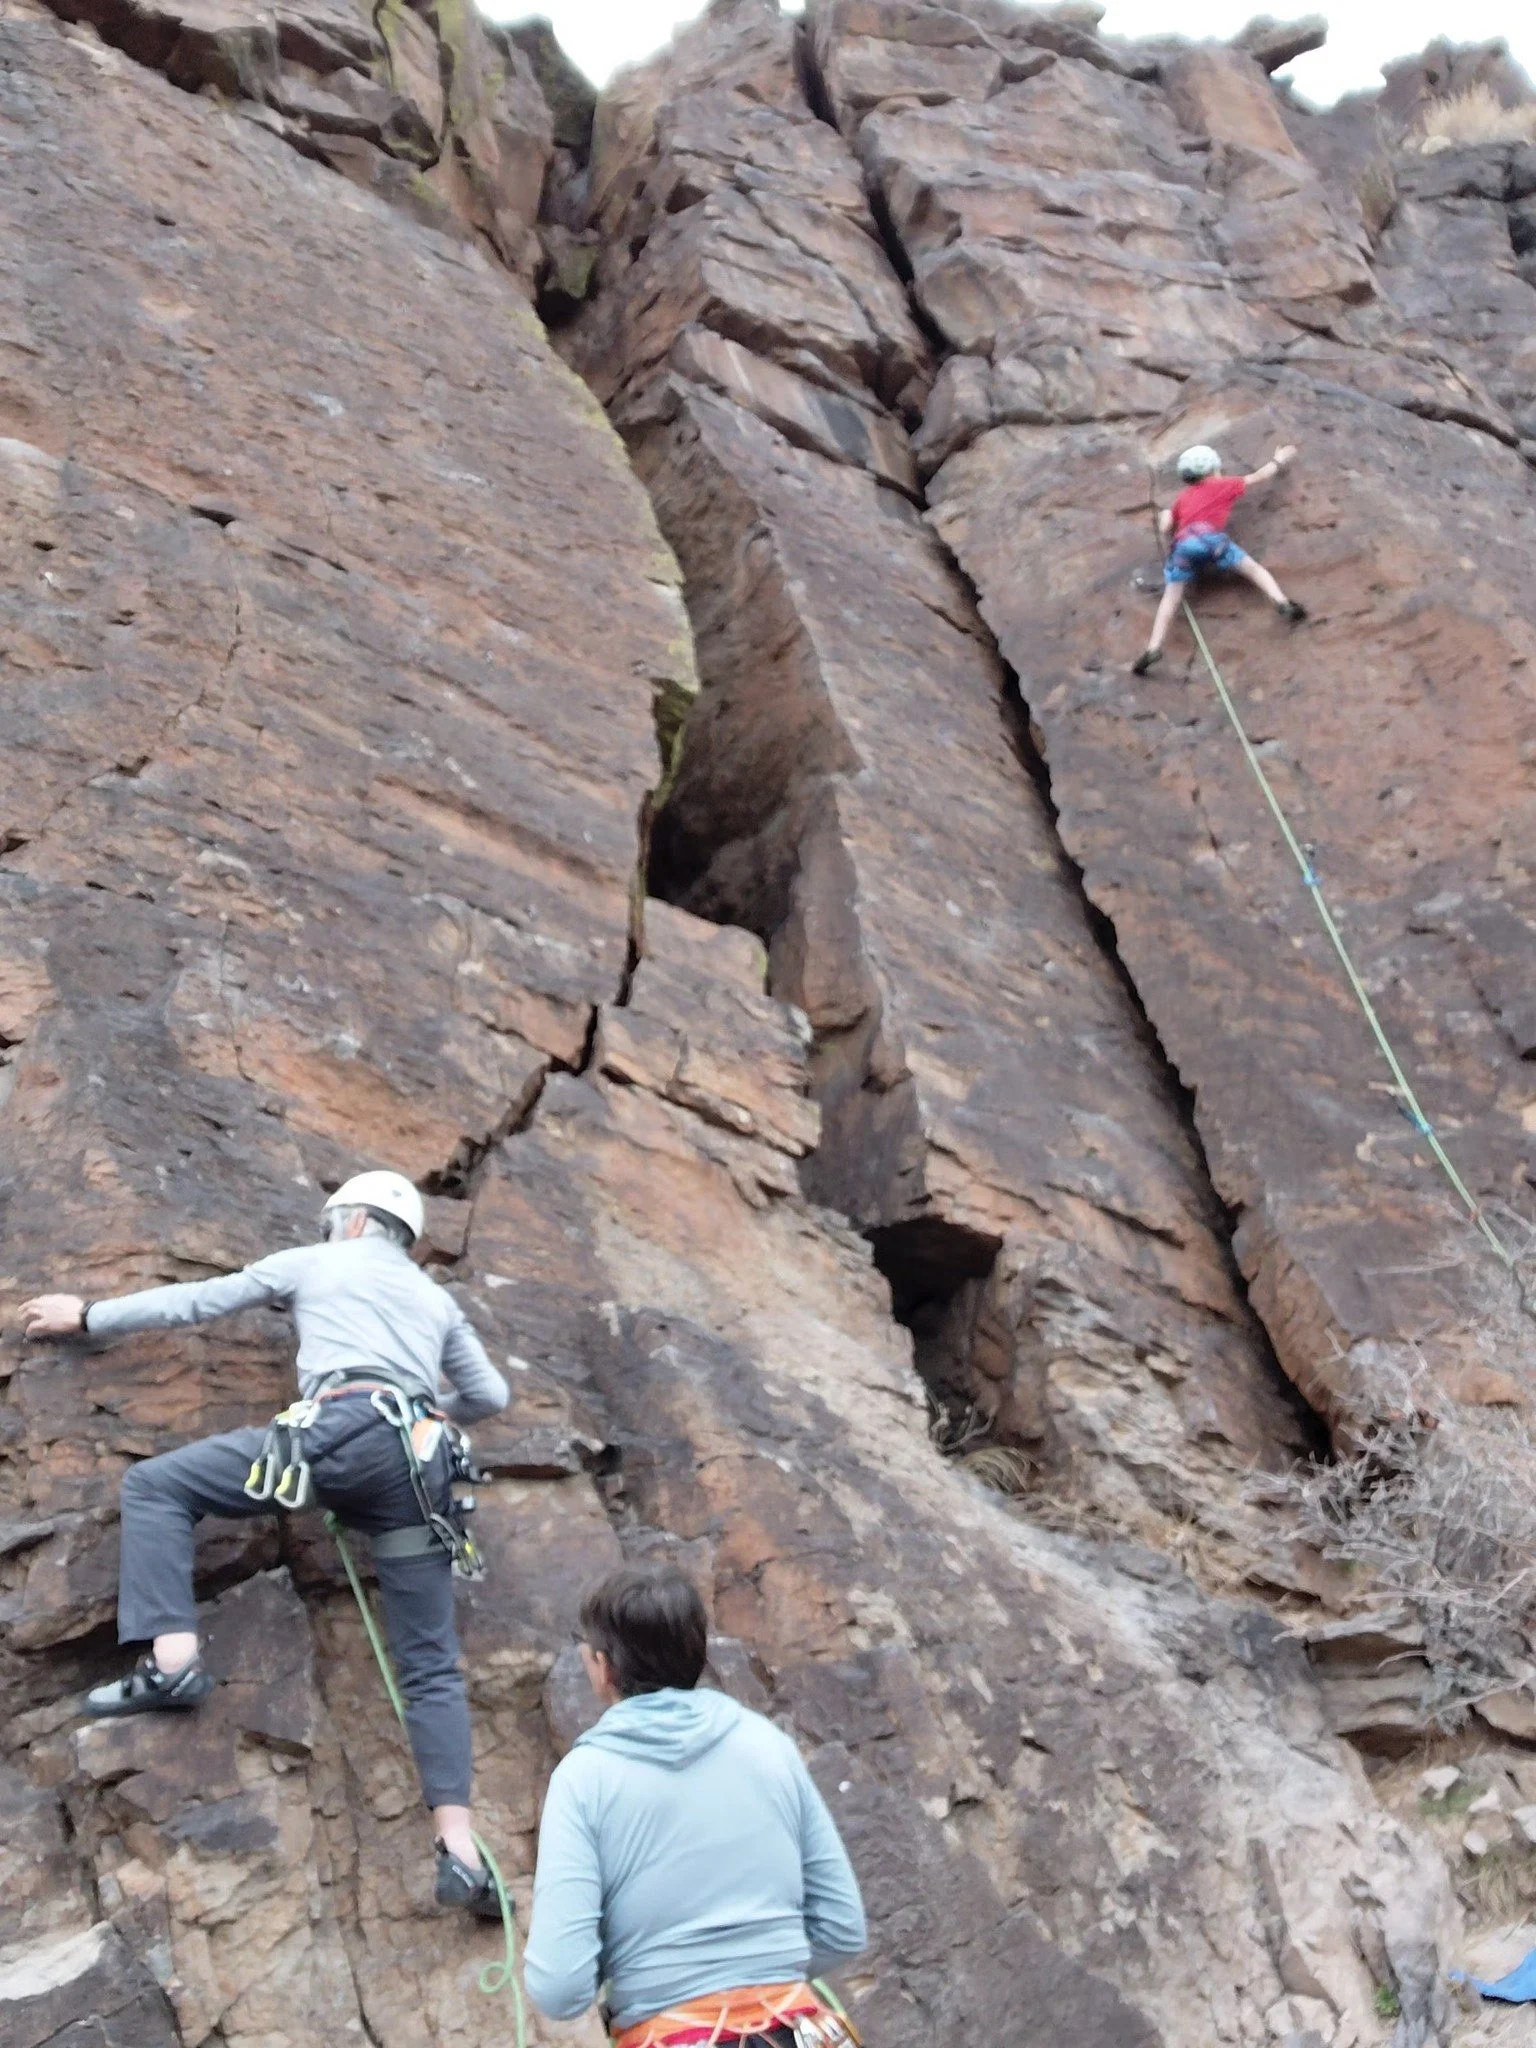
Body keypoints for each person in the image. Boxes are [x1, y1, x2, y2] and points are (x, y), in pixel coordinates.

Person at [20, 1169, 510, 1920]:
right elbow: (490, 1399)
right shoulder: (435, 1300)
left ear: (350, 1222)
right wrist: (418, 1404)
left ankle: (172, 1663)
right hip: (424, 1463)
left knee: (157, 1487)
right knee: (430, 1665)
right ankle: (462, 1852)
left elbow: (198, 1300)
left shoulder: (317, 1261)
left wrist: (87, 1315)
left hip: (344, 1433)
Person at [524, 1565, 867, 2047]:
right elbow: (842, 1928)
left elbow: (560, 1988)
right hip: (798, 2032)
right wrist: (757, 1971)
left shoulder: (583, 1781)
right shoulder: (769, 1747)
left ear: (603, 1667)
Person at [1132, 442, 1307, 675]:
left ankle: (1154, 647)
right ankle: (1281, 601)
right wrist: (1279, 459)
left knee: (1171, 597)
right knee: (1253, 569)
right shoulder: (1223, 485)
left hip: (1185, 546)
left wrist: (1165, 514)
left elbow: (1165, 528)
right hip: (1213, 542)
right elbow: (1260, 476)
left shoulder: (1182, 499)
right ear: (1213, 470)